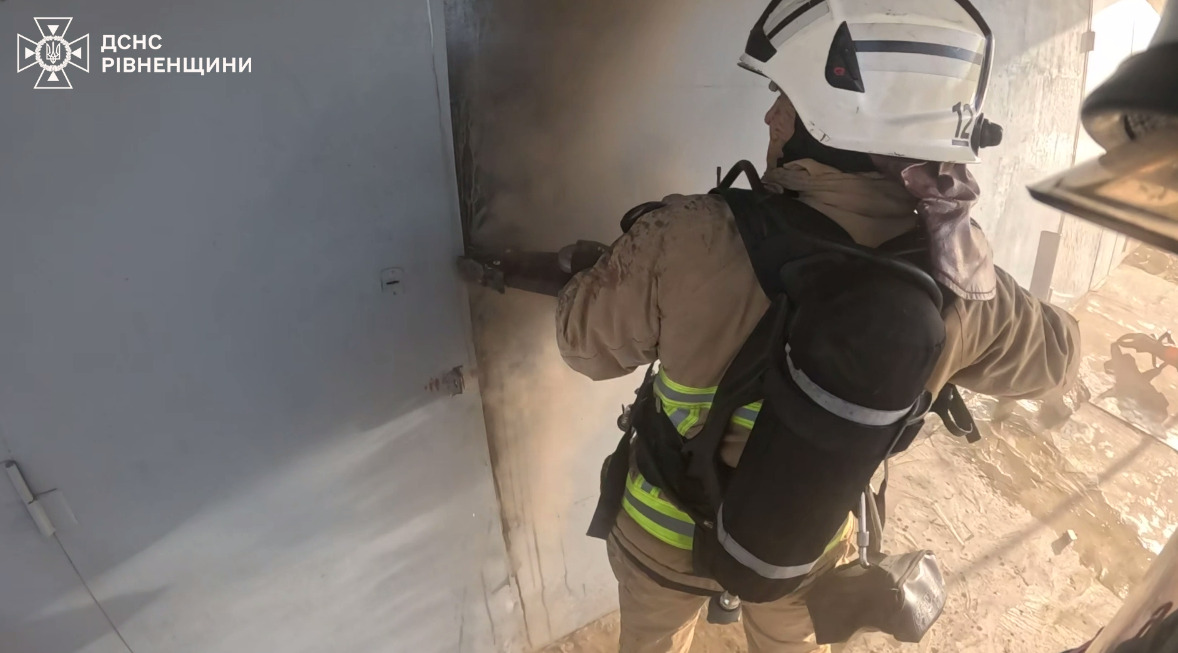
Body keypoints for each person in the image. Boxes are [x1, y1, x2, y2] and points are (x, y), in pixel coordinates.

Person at [463, 0, 1081, 650]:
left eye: (784, 98)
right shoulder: (963, 285)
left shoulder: (690, 235)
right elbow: (1058, 356)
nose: (770, 116)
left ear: (830, 122)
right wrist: (983, 287)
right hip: (803, 550)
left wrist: (607, 272)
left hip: (663, 538)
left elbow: (583, 345)